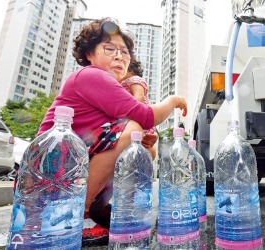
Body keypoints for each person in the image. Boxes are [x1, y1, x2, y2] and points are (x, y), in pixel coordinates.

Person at [37, 18, 187, 246]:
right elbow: (144, 116)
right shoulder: (91, 75)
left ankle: (100, 211)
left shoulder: (111, 87)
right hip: (48, 171)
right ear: (89, 54)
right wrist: (173, 100)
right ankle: (80, 214)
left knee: (141, 148)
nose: (119, 56)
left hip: (68, 170)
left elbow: (128, 135)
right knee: (134, 128)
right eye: (109, 49)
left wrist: (142, 142)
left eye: (125, 52)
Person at [120, 57, 157, 160]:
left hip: (139, 118)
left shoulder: (133, 80)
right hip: (133, 121)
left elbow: (139, 97)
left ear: (130, 70)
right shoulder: (120, 84)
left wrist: (131, 112)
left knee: (141, 143)